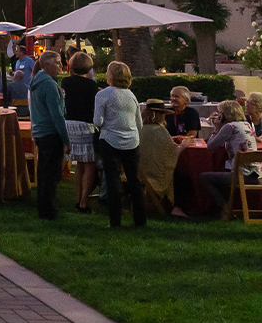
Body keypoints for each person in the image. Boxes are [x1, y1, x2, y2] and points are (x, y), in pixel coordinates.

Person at [92, 61, 144, 228]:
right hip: (132, 141)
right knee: (134, 181)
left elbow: (97, 120)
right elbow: (139, 123)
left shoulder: (104, 94)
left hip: (110, 141)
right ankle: (140, 220)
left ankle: (115, 221)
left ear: (110, 76)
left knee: (113, 180)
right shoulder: (131, 95)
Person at [196, 101, 258, 213]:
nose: (217, 115)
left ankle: (224, 207)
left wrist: (216, 128)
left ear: (224, 115)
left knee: (204, 177)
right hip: (257, 175)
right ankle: (228, 207)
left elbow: (211, 146)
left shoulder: (230, 127)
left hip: (243, 175)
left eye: (219, 113)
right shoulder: (246, 124)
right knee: (222, 171)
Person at [61, 52, 100, 214]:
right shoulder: (91, 85)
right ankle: (84, 201)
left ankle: (78, 198)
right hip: (86, 125)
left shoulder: (65, 82)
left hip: (69, 124)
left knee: (78, 164)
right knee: (89, 163)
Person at [28, 53, 65, 220]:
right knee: (50, 173)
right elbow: (56, 114)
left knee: (43, 172)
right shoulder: (49, 84)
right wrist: (66, 139)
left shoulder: (35, 82)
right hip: (50, 132)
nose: (61, 66)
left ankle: (43, 207)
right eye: (57, 63)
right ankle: (49, 210)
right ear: (48, 65)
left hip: (40, 132)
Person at [136, 101, 180, 217]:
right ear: (159, 115)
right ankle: (175, 206)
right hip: (151, 173)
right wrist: (184, 145)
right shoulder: (159, 130)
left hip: (136, 170)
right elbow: (170, 152)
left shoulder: (140, 128)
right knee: (180, 174)